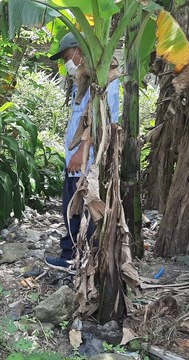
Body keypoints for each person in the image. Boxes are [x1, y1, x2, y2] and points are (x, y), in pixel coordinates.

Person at [44, 32, 120, 272]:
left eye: (68, 56)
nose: (67, 63)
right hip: (76, 159)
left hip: (86, 160)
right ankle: (76, 256)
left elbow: (102, 122)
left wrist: (81, 153)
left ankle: (74, 258)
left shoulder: (103, 80)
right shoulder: (83, 80)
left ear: (79, 51)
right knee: (71, 205)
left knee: (79, 208)